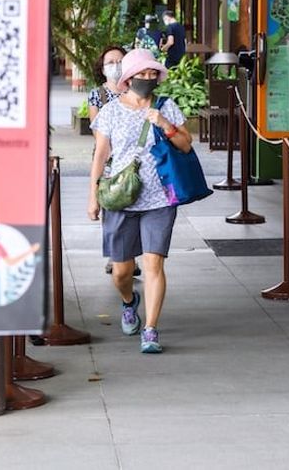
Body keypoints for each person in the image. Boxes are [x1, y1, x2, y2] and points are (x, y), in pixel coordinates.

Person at [88, 48, 192, 353]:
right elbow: (100, 155)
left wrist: (163, 123)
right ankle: (129, 301)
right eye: (141, 74)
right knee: (121, 272)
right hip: (120, 198)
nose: (147, 79)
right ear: (129, 77)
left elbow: (185, 145)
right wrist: (92, 197)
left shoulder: (166, 107)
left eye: (152, 74)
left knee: (153, 265)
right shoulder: (110, 111)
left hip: (159, 197)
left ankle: (150, 329)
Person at [88, 45, 141, 277]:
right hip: (108, 159)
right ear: (102, 67)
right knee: (111, 203)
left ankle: (131, 256)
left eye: (120, 61)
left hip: (134, 158)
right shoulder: (97, 95)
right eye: (110, 62)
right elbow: (98, 134)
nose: (115, 66)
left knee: (134, 201)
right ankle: (115, 254)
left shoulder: (135, 90)